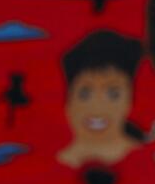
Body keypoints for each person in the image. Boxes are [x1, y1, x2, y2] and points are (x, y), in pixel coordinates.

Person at [57, 31, 147, 169]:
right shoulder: (53, 163)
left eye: (113, 94)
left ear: (129, 101)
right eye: (85, 94)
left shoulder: (144, 158)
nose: (97, 106)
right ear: (68, 102)